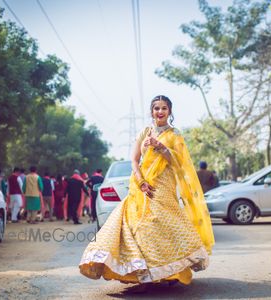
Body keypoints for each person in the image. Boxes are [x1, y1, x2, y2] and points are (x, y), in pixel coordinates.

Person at [79, 95, 214, 288]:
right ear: (151, 111)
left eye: (164, 108)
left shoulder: (175, 135)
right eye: (156, 108)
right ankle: (140, 274)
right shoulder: (144, 132)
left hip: (163, 186)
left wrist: (161, 147)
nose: (160, 112)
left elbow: (180, 162)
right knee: (138, 229)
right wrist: (141, 181)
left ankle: (170, 273)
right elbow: (134, 159)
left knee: (162, 226)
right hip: (141, 186)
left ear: (170, 111)